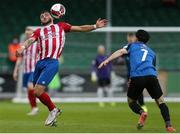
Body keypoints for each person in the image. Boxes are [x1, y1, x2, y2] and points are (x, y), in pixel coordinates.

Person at [16, 4, 107, 126]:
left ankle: (53, 110)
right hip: (39, 63)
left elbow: (80, 28)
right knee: (35, 92)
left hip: (52, 62)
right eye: (41, 16)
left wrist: (95, 26)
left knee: (37, 91)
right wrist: (22, 47)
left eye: (46, 14)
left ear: (52, 16)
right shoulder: (38, 31)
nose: (43, 16)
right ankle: (53, 115)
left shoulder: (61, 26)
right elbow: (29, 41)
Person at [98, 29, 175, 132]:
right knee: (161, 102)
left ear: (136, 38)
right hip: (151, 76)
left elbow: (121, 52)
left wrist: (107, 60)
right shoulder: (152, 52)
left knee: (131, 101)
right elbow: (153, 67)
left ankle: (142, 112)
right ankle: (168, 125)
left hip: (137, 76)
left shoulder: (132, 45)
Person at [13, 27, 39, 115]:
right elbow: (19, 59)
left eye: (29, 31)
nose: (27, 33)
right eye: (26, 31)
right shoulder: (22, 45)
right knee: (29, 90)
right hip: (26, 70)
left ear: (33, 33)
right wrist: (15, 71)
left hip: (34, 69)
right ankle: (34, 108)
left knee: (30, 86)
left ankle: (41, 99)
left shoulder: (38, 44)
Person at [126, 33, 148, 112]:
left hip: (137, 74)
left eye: (131, 37)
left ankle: (142, 106)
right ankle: (138, 107)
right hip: (129, 73)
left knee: (139, 90)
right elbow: (121, 55)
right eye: (129, 37)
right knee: (132, 92)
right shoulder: (127, 47)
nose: (130, 38)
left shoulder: (136, 47)